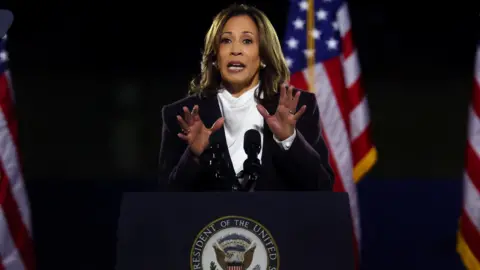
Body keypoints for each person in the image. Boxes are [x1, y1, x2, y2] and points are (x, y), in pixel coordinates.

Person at [158, 4, 334, 191]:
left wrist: (288, 139)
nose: (236, 50)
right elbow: (167, 200)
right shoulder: (181, 115)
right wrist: (193, 156)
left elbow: (322, 187)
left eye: (247, 41)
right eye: (226, 40)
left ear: (264, 56)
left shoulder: (297, 106)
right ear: (215, 56)